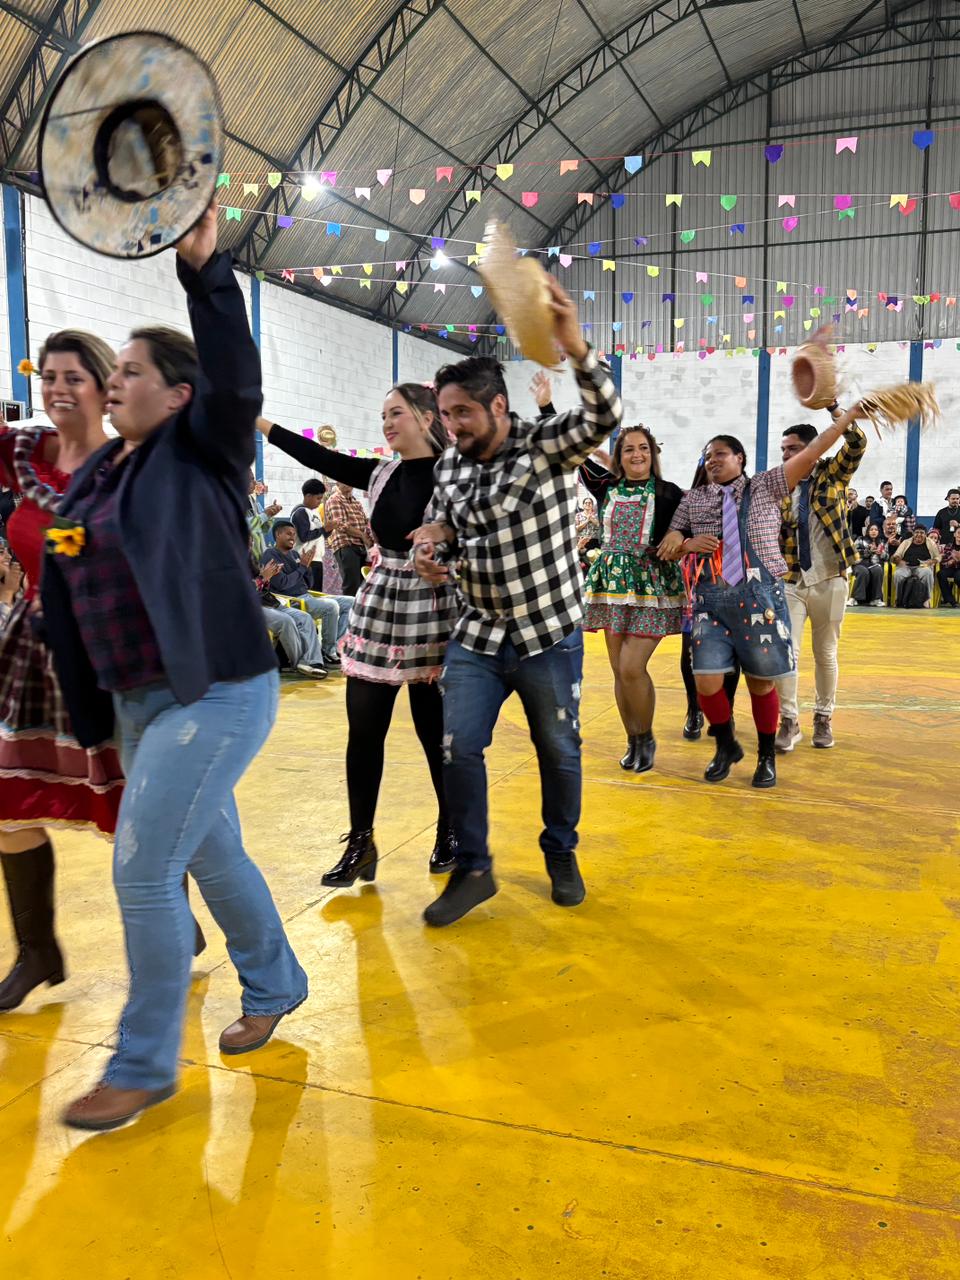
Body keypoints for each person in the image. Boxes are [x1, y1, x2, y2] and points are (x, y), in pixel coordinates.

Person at [41, 204, 307, 1131]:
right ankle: (277, 981)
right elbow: (65, 586)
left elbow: (235, 377)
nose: (112, 383)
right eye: (110, 372)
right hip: (139, 702)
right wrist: (86, 716)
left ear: (178, 395)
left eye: (129, 372)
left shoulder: (205, 453)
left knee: (145, 870)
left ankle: (144, 1064)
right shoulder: (95, 479)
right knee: (212, 854)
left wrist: (205, 272)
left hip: (219, 690)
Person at [411, 276, 622, 927]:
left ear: (498, 406)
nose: (452, 426)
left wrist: (577, 348)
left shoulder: (545, 445)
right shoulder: (449, 466)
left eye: (462, 414)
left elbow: (603, 419)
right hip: (476, 635)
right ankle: (474, 868)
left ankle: (561, 851)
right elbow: (442, 529)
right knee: (457, 747)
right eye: (445, 415)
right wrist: (430, 548)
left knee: (558, 749)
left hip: (546, 635)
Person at [255, 384, 459, 880]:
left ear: (426, 417)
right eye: (383, 414)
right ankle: (361, 842)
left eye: (397, 413)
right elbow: (316, 454)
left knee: (435, 733)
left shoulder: (457, 475)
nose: (387, 423)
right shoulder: (381, 472)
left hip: (435, 607)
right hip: (382, 604)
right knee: (364, 729)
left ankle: (451, 830)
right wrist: (258, 422)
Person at [0, 331, 130, 1014]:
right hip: (29, 650)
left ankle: (171, 928)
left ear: (106, 387)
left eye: (73, 377)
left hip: (107, 653)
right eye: (48, 377)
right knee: (6, 803)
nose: (57, 390)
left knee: (135, 810)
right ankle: (36, 951)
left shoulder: (129, 465)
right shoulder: (23, 452)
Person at [659, 407, 864, 790]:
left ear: (740, 458)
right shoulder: (693, 499)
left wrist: (844, 414)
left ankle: (767, 755)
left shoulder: (768, 485)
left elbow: (816, 448)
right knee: (706, 680)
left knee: (761, 683)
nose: (712, 460)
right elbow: (672, 541)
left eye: (720, 453)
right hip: (711, 599)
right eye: (707, 456)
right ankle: (726, 744)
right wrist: (683, 542)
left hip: (761, 596)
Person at [578, 427, 684, 772]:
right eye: (629, 450)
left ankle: (646, 736)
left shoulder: (668, 492)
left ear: (653, 454)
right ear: (619, 457)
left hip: (651, 586)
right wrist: (548, 409)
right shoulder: (606, 486)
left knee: (631, 667)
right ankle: (633, 739)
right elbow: (574, 452)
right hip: (611, 586)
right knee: (619, 672)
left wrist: (679, 534)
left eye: (643, 448)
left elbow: (693, 522)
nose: (637, 455)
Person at [774, 415, 867, 753]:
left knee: (825, 653)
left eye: (793, 448)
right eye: (784, 449)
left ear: (814, 449)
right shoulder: (781, 484)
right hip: (791, 579)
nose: (786, 455)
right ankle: (789, 720)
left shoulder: (833, 473)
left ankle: (823, 717)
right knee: (786, 652)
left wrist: (838, 413)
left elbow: (857, 444)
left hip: (830, 577)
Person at [678, 458, 740, 741]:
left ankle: (727, 711)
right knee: (691, 648)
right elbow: (673, 537)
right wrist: (686, 543)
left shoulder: (740, 501)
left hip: (733, 577)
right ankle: (694, 709)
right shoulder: (687, 501)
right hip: (697, 578)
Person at [258, 518, 352, 668]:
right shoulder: (270, 554)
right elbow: (282, 584)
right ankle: (328, 652)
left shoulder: (295, 554)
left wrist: (307, 568)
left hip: (307, 596)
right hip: (292, 600)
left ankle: (336, 648)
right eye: (288, 533)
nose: (292, 537)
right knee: (331, 606)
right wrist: (301, 567)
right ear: (278, 535)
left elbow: (308, 584)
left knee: (351, 602)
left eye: (294, 534)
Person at [254, 557, 327, 678]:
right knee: (286, 621)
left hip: (269, 601)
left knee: (305, 617)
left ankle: (314, 662)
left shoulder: (249, 560)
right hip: (251, 606)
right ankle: (300, 664)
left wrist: (268, 577)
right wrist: (263, 578)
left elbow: (262, 588)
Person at [324, 480, 371, 594]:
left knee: (363, 586)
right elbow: (342, 525)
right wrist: (362, 535)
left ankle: (358, 606)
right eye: (342, 481)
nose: (347, 483)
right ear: (337, 484)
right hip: (346, 545)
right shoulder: (334, 500)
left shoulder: (356, 502)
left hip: (361, 547)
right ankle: (349, 606)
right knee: (352, 585)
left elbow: (365, 523)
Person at [291, 477, 326, 589]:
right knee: (309, 592)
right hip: (305, 559)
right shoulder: (301, 511)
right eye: (318, 498)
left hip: (316, 558)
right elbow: (304, 536)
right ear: (308, 496)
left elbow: (320, 535)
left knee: (317, 592)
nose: (320, 502)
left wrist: (330, 528)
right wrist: (324, 529)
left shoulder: (315, 512)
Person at [893, 526, 940, 607]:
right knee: (898, 574)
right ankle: (899, 599)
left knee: (927, 573)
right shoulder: (906, 542)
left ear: (925, 534)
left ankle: (926, 600)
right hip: (906, 566)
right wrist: (898, 560)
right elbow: (897, 554)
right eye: (917, 532)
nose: (919, 534)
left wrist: (931, 561)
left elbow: (938, 557)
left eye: (922, 533)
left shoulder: (931, 543)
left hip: (922, 567)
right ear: (913, 533)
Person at [246, 471, 281, 561]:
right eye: (251, 479)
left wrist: (270, 516)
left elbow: (262, 530)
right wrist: (265, 515)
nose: (255, 483)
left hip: (257, 559)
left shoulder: (252, 500)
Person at [849, 524, 887, 606]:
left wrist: (881, 553)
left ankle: (876, 599)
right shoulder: (860, 539)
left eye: (876, 530)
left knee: (878, 570)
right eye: (871, 529)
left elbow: (887, 557)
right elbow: (853, 552)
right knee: (863, 571)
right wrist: (868, 551)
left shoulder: (882, 542)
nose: (873, 531)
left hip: (874, 564)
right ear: (867, 531)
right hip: (860, 564)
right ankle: (855, 598)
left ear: (878, 532)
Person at [937, 526, 960, 607]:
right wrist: (950, 562)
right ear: (954, 534)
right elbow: (943, 562)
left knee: (958, 577)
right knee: (940, 574)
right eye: (958, 533)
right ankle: (951, 600)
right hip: (951, 568)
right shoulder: (949, 546)